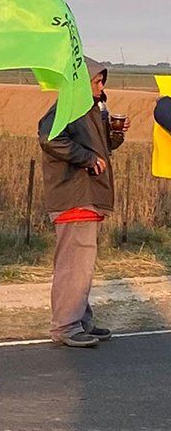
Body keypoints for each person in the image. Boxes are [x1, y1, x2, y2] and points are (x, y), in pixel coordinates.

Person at [38, 58, 127, 348]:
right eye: (96, 81)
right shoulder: (67, 109)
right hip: (74, 196)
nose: (101, 86)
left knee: (81, 264)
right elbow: (49, 137)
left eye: (102, 81)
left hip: (85, 195)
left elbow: (99, 147)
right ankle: (66, 325)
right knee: (74, 265)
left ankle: (80, 320)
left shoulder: (88, 110)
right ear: (80, 82)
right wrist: (87, 159)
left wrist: (114, 135)